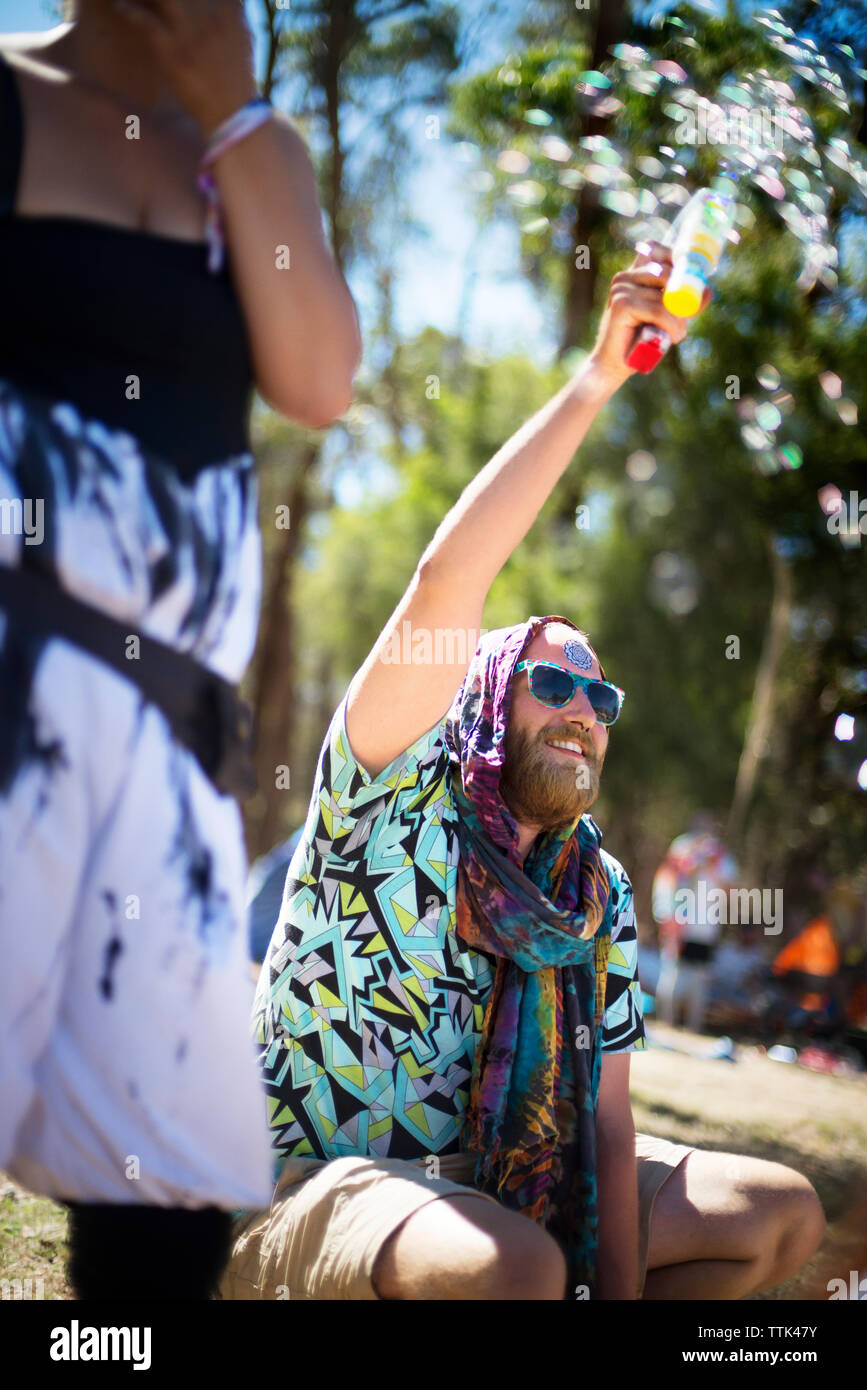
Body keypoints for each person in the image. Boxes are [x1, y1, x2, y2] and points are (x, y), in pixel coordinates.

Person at [219, 244, 825, 1300]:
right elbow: (450, 575)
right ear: (485, 702)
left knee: (777, 1214)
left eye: (602, 700)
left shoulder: (594, 890)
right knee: (519, 1265)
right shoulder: (388, 792)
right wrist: (598, 381)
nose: (584, 713)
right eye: (555, 683)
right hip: (310, 1192)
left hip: (496, 1185)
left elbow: (606, 1122)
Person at [0, 0, 361, 1300]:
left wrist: (237, 108)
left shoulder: (252, 144)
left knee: (168, 1197)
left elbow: (319, 377)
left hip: (169, 741)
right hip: (11, 694)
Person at [652, 814, 739, 1033]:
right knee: (672, 972)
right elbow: (667, 879)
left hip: (706, 926)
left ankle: (693, 1026)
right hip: (679, 921)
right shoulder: (681, 846)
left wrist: (711, 865)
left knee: (699, 977)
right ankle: (666, 1022)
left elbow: (730, 889)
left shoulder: (721, 855)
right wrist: (665, 913)